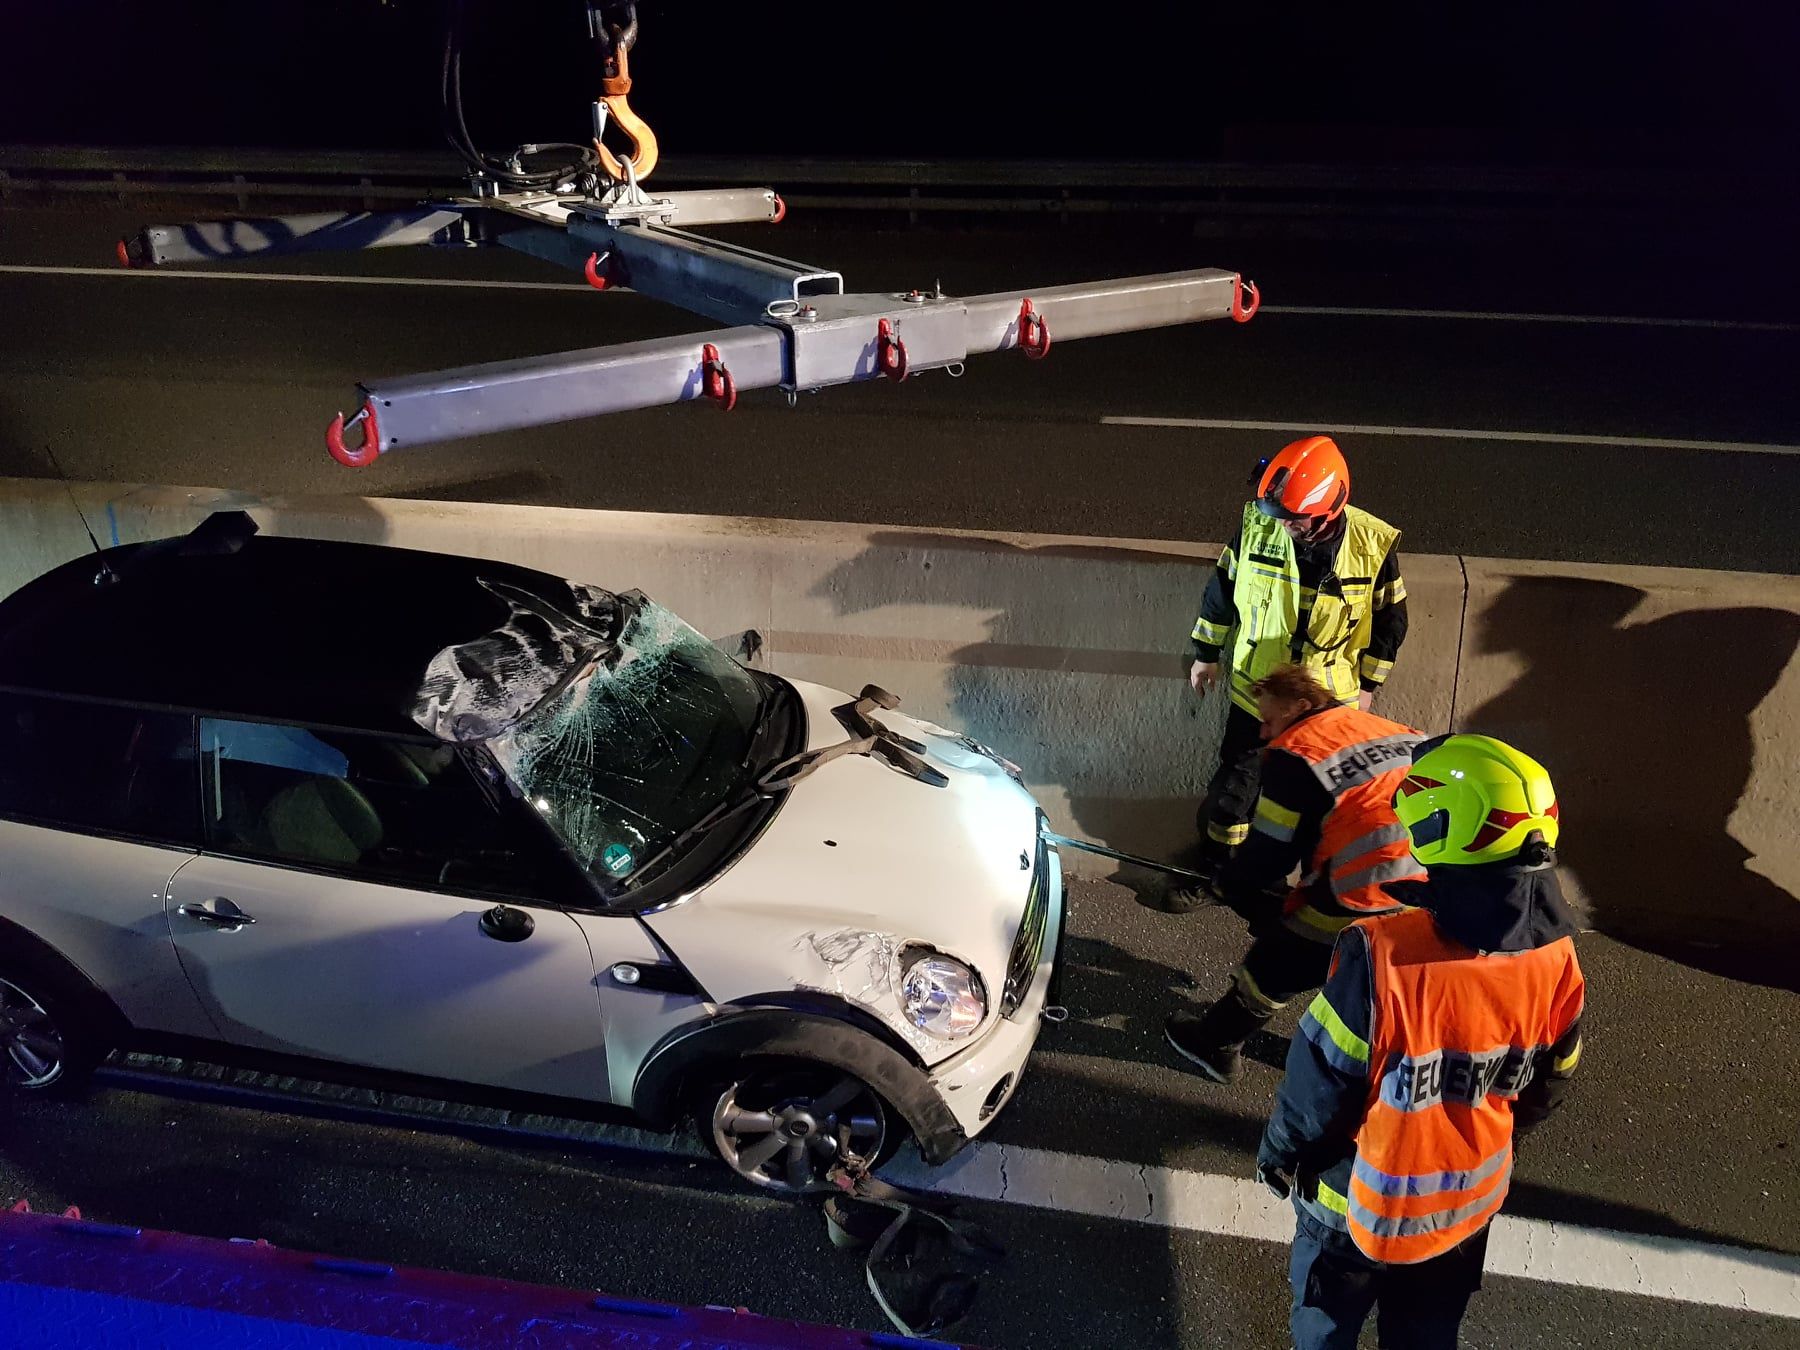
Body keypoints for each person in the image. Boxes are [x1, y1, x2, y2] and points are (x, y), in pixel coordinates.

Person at [1256, 734, 1585, 1350]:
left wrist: (1280, 1156)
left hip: (1352, 1207)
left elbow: (1320, 1087)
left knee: (1325, 1330)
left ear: (1441, 830)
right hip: (1466, 1208)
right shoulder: (1559, 959)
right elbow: (1550, 1083)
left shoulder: (1380, 956)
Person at [1165, 664, 1424, 1083]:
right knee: (1385, 980)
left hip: (1367, 884)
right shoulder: (1372, 725)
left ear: (1300, 707)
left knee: (1277, 963)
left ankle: (1215, 1043)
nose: (1263, 732)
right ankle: (1385, 1060)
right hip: (1434, 880)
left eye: (1268, 720)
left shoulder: (1296, 753)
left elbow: (1270, 855)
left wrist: (1228, 884)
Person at [1181, 435, 1408, 897]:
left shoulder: (1372, 545)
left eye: (1294, 519)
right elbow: (1221, 591)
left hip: (1324, 711)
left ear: (1328, 510)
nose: (1283, 526)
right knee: (1232, 798)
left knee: (1313, 809)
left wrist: (1367, 685)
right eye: (1278, 515)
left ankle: (1301, 894)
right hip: (1257, 697)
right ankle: (1217, 875)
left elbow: (1390, 621)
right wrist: (1205, 654)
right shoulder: (1258, 527)